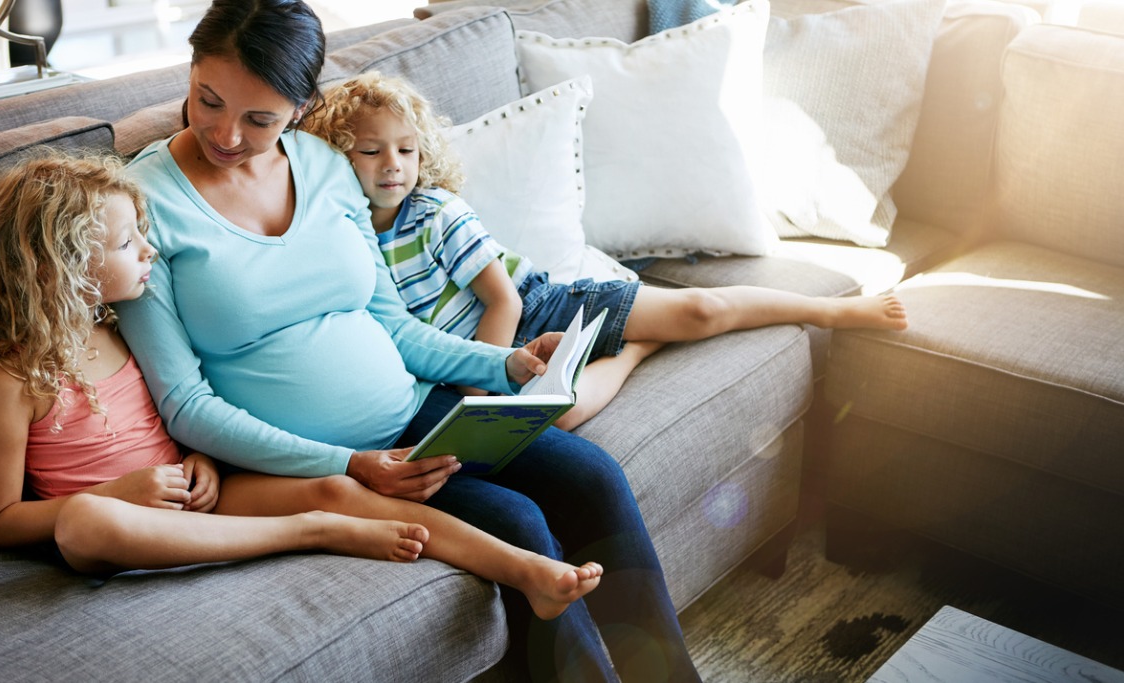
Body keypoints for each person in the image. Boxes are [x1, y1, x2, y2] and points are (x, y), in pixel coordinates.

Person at [112, 0, 702, 679]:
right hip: (310, 460)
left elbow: (392, 326)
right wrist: (348, 462)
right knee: (516, 523)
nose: (225, 133)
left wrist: (504, 362)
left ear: (302, 109)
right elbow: (183, 402)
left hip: (421, 411)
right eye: (207, 100)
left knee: (592, 475)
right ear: (189, 68)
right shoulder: (138, 203)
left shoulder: (324, 168)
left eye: (260, 119)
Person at [0, 152, 604, 621]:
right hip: (116, 528)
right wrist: (122, 492)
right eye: (127, 243)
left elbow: (178, 414)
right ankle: (311, 530)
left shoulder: (121, 333)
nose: (148, 252)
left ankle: (530, 573)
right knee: (83, 521)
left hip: (197, 499)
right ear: (66, 267)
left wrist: (199, 461)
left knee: (335, 486)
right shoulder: (11, 382)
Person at [308, 71, 911, 430]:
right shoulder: (342, 238)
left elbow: (503, 303)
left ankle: (830, 310)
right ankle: (634, 350)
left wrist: (479, 386)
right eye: (371, 151)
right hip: (490, 354)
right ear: (336, 158)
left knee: (700, 312)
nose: (394, 165)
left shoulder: (434, 212)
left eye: (407, 150)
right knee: (563, 418)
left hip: (536, 307)